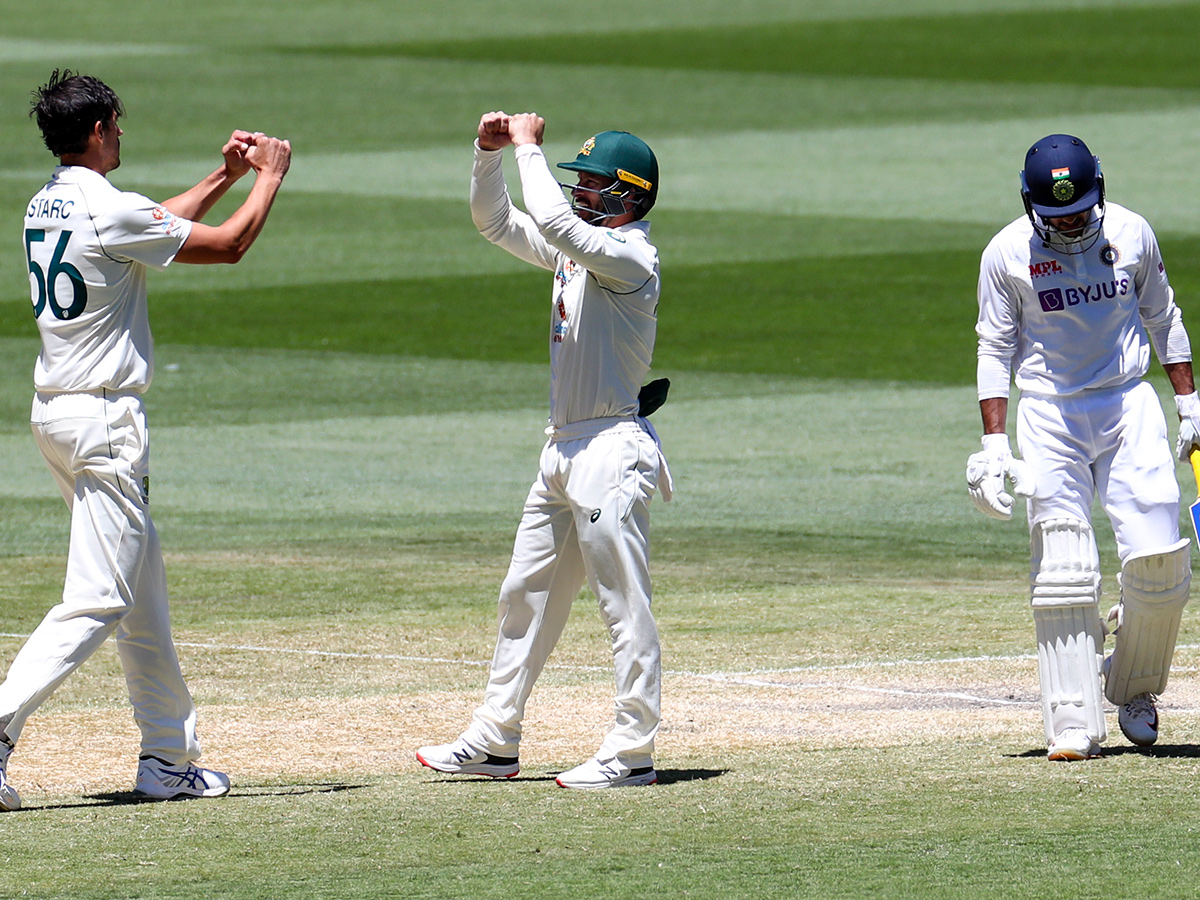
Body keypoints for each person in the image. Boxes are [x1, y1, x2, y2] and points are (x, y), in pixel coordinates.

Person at [3, 69, 291, 808]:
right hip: (103, 423)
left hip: (57, 416)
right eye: (117, 124)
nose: (123, 133)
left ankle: (168, 757)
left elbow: (150, 226)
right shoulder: (107, 207)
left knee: (140, 596)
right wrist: (269, 178)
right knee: (101, 596)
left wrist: (223, 176)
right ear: (97, 130)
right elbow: (226, 247)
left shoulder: (49, 201)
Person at [416, 111, 672, 789]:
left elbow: (557, 224)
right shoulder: (577, 251)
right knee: (522, 595)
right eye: (577, 182)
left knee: (624, 605)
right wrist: (486, 154)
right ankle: (497, 738)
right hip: (560, 451)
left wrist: (530, 148)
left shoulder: (630, 258)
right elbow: (495, 222)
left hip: (611, 452)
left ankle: (633, 749)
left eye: (592, 184)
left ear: (629, 196)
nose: (581, 193)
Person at [967, 133, 1197, 761]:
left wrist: (1188, 402)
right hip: (1049, 414)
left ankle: (1135, 687)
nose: (1069, 222)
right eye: (1055, 214)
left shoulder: (1132, 233)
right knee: (1063, 570)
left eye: (1079, 209)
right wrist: (993, 446)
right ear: (1030, 204)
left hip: (1128, 403)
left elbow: (1164, 315)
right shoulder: (1007, 253)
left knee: (1160, 563)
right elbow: (993, 347)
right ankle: (1071, 719)